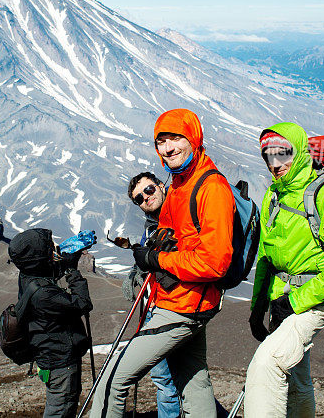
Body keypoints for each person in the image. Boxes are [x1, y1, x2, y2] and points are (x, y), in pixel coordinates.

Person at [90, 108, 235, 418]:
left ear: (194, 138)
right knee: (194, 386)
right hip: (185, 303)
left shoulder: (211, 188)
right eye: (161, 142)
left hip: (181, 306)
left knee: (112, 380)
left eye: (175, 138)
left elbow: (214, 262)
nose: (168, 148)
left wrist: (155, 257)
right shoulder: (181, 184)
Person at [244, 123, 324, 417]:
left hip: (317, 297)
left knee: (268, 364)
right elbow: (266, 258)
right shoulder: (274, 195)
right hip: (282, 298)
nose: (275, 164)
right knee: (296, 377)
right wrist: (258, 308)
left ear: (299, 152)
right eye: (268, 156)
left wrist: (295, 301)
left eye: (283, 154)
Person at [9, 228, 94, 418]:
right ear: (38, 256)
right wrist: (72, 271)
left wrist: (66, 259)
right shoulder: (44, 294)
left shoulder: (27, 277)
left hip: (49, 356)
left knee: (60, 406)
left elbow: (46, 273)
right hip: (60, 360)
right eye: (48, 247)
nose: (52, 248)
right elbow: (83, 304)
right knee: (61, 408)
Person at [124, 172, 181, 418]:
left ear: (160, 184)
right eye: (139, 198)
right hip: (155, 305)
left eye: (148, 190)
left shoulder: (180, 214)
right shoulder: (151, 225)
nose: (145, 199)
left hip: (174, 306)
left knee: (167, 379)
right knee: (176, 377)